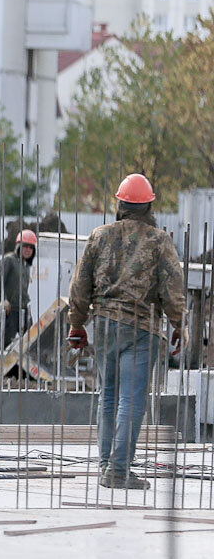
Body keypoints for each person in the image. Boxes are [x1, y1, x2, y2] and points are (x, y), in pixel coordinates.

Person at [67, 173, 185, 491]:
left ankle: (107, 466)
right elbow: (173, 288)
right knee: (131, 401)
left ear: (120, 204)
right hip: (142, 328)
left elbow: (79, 286)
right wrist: (178, 324)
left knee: (108, 396)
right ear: (148, 205)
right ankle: (118, 471)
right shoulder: (159, 241)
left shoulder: (99, 236)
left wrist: (76, 325)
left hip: (104, 323)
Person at [0, 229, 37, 347]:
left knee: (31, 338)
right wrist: (3, 299)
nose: (28, 250)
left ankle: (22, 365)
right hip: (10, 309)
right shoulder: (8, 260)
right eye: (25, 246)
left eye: (31, 247)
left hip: (23, 309)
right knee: (6, 341)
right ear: (18, 246)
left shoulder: (25, 265)